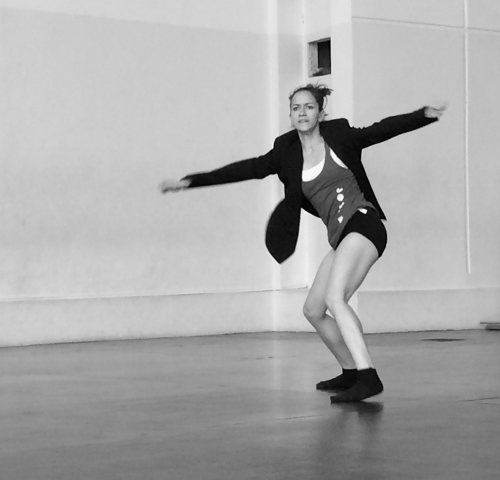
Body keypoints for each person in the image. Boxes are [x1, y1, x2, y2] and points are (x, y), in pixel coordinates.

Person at [160, 84, 447, 402]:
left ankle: (369, 376)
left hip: (364, 223)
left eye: (309, 107)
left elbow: (382, 130)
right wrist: (191, 181)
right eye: (296, 108)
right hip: (342, 236)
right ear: (290, 114)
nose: (302, 112)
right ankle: (350, 371)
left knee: (336, 299)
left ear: (321, 112)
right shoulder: (285, 152)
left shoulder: (340, 135)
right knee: (313, 309)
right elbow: (247, 168)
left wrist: (423, 115)